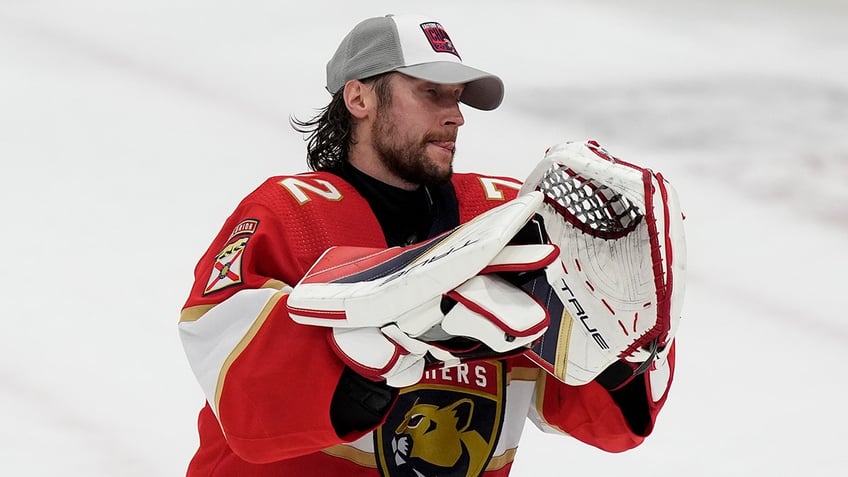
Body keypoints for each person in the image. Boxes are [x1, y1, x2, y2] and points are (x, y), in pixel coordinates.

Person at [178, 13, 677, 477]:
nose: (456, 115)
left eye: (457, 97)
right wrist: (385, 339)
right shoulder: (290, 215)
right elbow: (239, 392)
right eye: (431, 93)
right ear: (359, 99)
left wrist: (623, 353)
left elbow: (604, 421)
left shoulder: (507, 218)